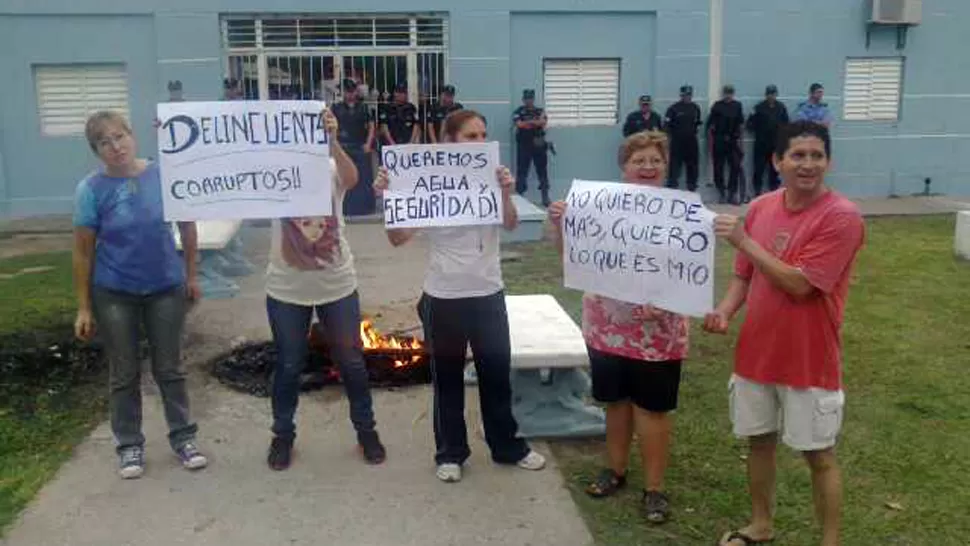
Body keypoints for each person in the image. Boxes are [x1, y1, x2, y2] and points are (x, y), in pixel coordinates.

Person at [704, 121, 864, 546]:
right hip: (756, 354)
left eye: (816, 155)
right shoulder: (760, 208)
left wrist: (743, 241)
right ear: (777, 161)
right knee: (759, 442)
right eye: (797, 155)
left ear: (828, 161)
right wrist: (724, 311)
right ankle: (760, 525)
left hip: (809, 360)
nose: (807, 164)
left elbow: (800, 285)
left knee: (819, 456)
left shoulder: (842, 218)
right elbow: (744, 277)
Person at [373, 109, 546, 483]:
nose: (480, 141)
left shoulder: (492, 179)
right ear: (450, 141)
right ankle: (450, 452)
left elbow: (511, 224)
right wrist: (390, 198)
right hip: (443, 298)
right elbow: (398, 238)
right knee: (447, 379)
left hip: (488, 294)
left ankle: (508, 447)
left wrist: (505, 193)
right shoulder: (428, 183)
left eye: (483, 133)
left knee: (496, 376)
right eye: (471, 135)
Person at [547, 131, 689, 524]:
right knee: (615, 402)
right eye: (638, 160)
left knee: (653, 409)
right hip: (607, 326)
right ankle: (615, 469)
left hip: (657, 330)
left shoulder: (680, 214)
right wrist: (560, 225)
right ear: (623, 167)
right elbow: (571, 258)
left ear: (664, 165)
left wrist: (665, 305)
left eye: (654, 160)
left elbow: (692, 273)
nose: (647, 167)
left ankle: (655, 489)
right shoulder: (599, 208)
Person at [73, 111, 207, 479]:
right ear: (96, 150)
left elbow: (188, 226)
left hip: (166, 287)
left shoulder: (164, 175)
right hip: (114, 292)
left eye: (120, 137)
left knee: (170, 368)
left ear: (133, 136)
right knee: (124, 372)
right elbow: (83, 251)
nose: (116, 147)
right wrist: (84, 307)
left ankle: (183, 438)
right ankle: (129, 445)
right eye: (105, 142)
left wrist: (191, 274)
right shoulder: (91, 190)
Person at [264, 109, 386, 471]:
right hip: (286, 288)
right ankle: (282, 435)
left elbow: (353, 177)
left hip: (337, 284)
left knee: (351, 362)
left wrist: (332, 141)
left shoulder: (330, 169)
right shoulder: (269, 176)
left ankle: (366, 431)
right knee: (287, 365)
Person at [331, 78, 378, 216]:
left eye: (352, 91)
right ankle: (344, 209)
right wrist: (335, 146)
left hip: (359, 147)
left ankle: (365, 209)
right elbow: (331, 127)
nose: (350, 95)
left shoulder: (363, 107)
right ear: (343, 92)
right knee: (343, 179)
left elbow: (371, 126)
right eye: (347, 91)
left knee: (363, 180)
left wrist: (368, 144)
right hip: (343, 148)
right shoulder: (336, 108)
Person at [746, 85, 790, 196]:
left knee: (774, 171)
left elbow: (786, 125)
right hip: (761, 144)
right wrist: (759, 129)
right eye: (769, 94)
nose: (771, 96)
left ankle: (773, 194)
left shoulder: (781, 107)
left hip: (775, 144)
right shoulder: (758, 107)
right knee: (758, 170)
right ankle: (757, 193)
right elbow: (749, 124)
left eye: (773, 94)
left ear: (776, 94)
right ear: (766, 95)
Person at [707, 84, 746, 204]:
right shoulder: (717, 106)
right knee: (718, 168)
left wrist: (742, 144)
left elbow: (740, 126)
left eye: (730, 92)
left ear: (733, 93)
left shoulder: (737, 106)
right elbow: (710, 126)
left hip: (733, 141)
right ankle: (721, 193)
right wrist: (710, 145)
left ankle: (732, 192)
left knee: (735, 167)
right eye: (726, 92)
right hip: (719, 140)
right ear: (723, 93)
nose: (728, 95)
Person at [512, 89, 551, 206]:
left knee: (542, 171)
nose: (529, 100)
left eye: (530, 98)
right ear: (523, 99)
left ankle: (545, 197)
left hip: (538, 143)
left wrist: (528, 123)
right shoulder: (518, 111)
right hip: (524, 144)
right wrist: (535, 122)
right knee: (522, 171)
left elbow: (543, 122)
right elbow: (519, 124)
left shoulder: (540, 110)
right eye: (526, 98)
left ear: (533, 99)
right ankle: (520, 197)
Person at [664, 85, 703, 192]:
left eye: (689, 95)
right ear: (681, 95)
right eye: (685, 95)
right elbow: (666, 125)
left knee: (693, 165)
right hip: (677, 141)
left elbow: (697, 124)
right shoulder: (673, 108)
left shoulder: (695, 108)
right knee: (675, 165)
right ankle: (672, 186)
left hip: (691, 141)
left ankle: (692, 187)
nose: (687, 97)